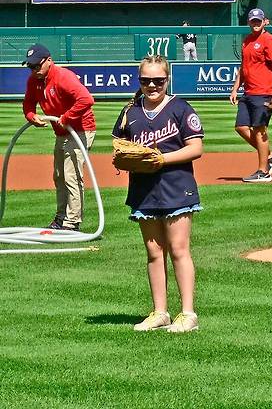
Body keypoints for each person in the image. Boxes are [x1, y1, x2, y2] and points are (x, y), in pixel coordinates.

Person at [112, 55, 204, 333]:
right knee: (154, 251)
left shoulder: (180, 108)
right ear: (138, 81)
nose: (152, 85)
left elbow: (195, 148)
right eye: (146, 80)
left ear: (167, 80)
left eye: (158, 80)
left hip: (177, 185)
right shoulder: (131, 111)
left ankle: (188, 314)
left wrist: (162, 159)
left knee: (178, 249)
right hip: (144, 189)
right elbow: (120, 146)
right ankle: (160, 312)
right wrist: (125, 159)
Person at [22, 44, 96, 231]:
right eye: (31, 67)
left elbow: (86, 99)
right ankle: (61, 218)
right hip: (62, 132)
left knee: (72, 175)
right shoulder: (34, 80)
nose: (34, 70)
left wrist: (67, 117)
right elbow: (28, 104)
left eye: (37, 66)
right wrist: (31, 116)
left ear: (48, 60)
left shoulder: (63, 77)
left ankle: (72, 222)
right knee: (59, 175)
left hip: (80, 130)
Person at [229, 8, 272, 183]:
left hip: (264, 92)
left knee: (260, 130)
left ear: (265, 22)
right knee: (241, 127)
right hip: (248, 92)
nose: (255, 24)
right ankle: (270, 156)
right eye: (253, 21)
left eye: (258, 21)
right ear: (249, 22)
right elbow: (243, 67)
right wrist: (235, 88)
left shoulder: (269, 40)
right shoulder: (247, 41)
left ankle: (263, 171)